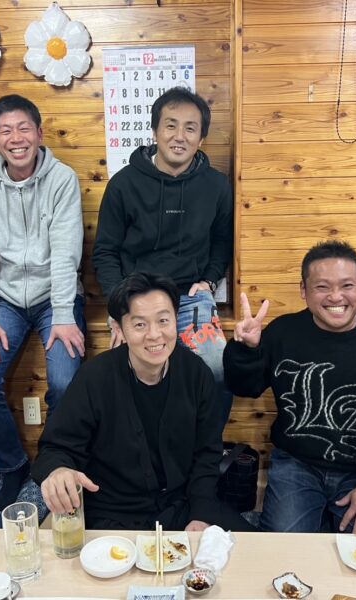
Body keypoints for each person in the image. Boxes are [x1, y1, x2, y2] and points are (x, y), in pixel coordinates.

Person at [223, 241, 356, 534]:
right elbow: (245, 387)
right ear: (303, 290)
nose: (336, 296)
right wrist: (245, 349)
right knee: (282, 547)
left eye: (347, 285)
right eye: (322, 287)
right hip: (296, 463)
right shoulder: (283, 331)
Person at [31, 272, 254, 531]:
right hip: (112, 511)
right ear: (119, 329)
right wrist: (58, 471)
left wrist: (201, 512)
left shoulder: (196, 373)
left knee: (254, 548)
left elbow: (207, 453)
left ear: (175, 320)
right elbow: (55, 448)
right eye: (139, 325)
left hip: (181, 504)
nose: (154, 335)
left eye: (163, 320)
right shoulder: (95, 377)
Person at [0, 94, 87, 511]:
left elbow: (66, 252)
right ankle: (12, 466)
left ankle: (56, 463)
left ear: (39, 133)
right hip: (6, 301)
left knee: (66, 382)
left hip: (57, 298)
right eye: (6, 131)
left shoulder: (62, 179)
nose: (16, 138)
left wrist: (65, 314)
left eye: (23, 128)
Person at [92, 87, 234, 426]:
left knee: (219, 369)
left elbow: (221, 242)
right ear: (155, 131)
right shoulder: (123, 184)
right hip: (136, 299)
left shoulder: (216, 186)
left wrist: (209, 279)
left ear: (201, 138)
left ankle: (205, 450)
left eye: (190, 128)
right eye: (171, 125)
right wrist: (119, 306)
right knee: (126, 376)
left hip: (190, 297)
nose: (179, 136)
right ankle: (139, 452)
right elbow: (106, 251)